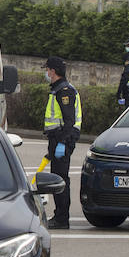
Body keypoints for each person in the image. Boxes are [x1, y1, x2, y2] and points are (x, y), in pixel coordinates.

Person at [43, 56, 82, 229]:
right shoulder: (58, 89)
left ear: (53, 71)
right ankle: (59, 215)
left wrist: (62, 143)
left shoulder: (64, 90)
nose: (46, 72)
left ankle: (61, 218)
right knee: (57, 178)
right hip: (57, 139)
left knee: (60, 180)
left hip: (62, 139)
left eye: (47, 69)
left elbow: (69, 121)